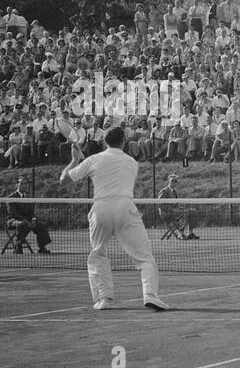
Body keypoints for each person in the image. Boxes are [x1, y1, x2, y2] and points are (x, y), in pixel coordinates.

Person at [59, 125, 170, 310]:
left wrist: (74, 160)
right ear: (124, 142)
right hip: (125, 208)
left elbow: (63, 181)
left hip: (100, 209)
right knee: (144, 258)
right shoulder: (132, 162)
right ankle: (150, 294)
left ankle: (104, 299)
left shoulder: (94, 159)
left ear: (104, 141)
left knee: (97, 254)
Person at [5, 176, 52, 254]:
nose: (25, 185)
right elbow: (13, 213)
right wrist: (25, 221)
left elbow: (31, 212)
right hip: (13, 220)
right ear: (17, 185)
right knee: (23, 224)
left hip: (27, 220)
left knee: (41, 225)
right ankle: (18, 246)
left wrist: (33, 219)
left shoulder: (28, 197)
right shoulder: (11, 197)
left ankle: (42, 247)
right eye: (22, 183)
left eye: (26, 184)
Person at [157, 173, 198, 240]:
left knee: (192, 211)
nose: (174, 182)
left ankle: (190, 233)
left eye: (175, 181)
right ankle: (181, 234)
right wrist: (171, 209)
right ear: (169, 181)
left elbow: (176, 205)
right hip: (166, 213)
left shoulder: (174, 192)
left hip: (175, 212)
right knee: (185, 212)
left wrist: (181, 208)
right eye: (172, 180)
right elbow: (160, 204)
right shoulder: (164, 191)